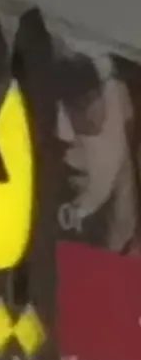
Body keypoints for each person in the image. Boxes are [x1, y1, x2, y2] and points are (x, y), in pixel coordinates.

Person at [56, 53, 138, 253]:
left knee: (124, 216)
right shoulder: (64, 124)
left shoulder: (112, 90)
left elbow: (98, 192)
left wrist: (79, 210)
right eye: (83, 110)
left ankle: (117, 247)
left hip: (118, 163)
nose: (94, 120)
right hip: (92, 171)